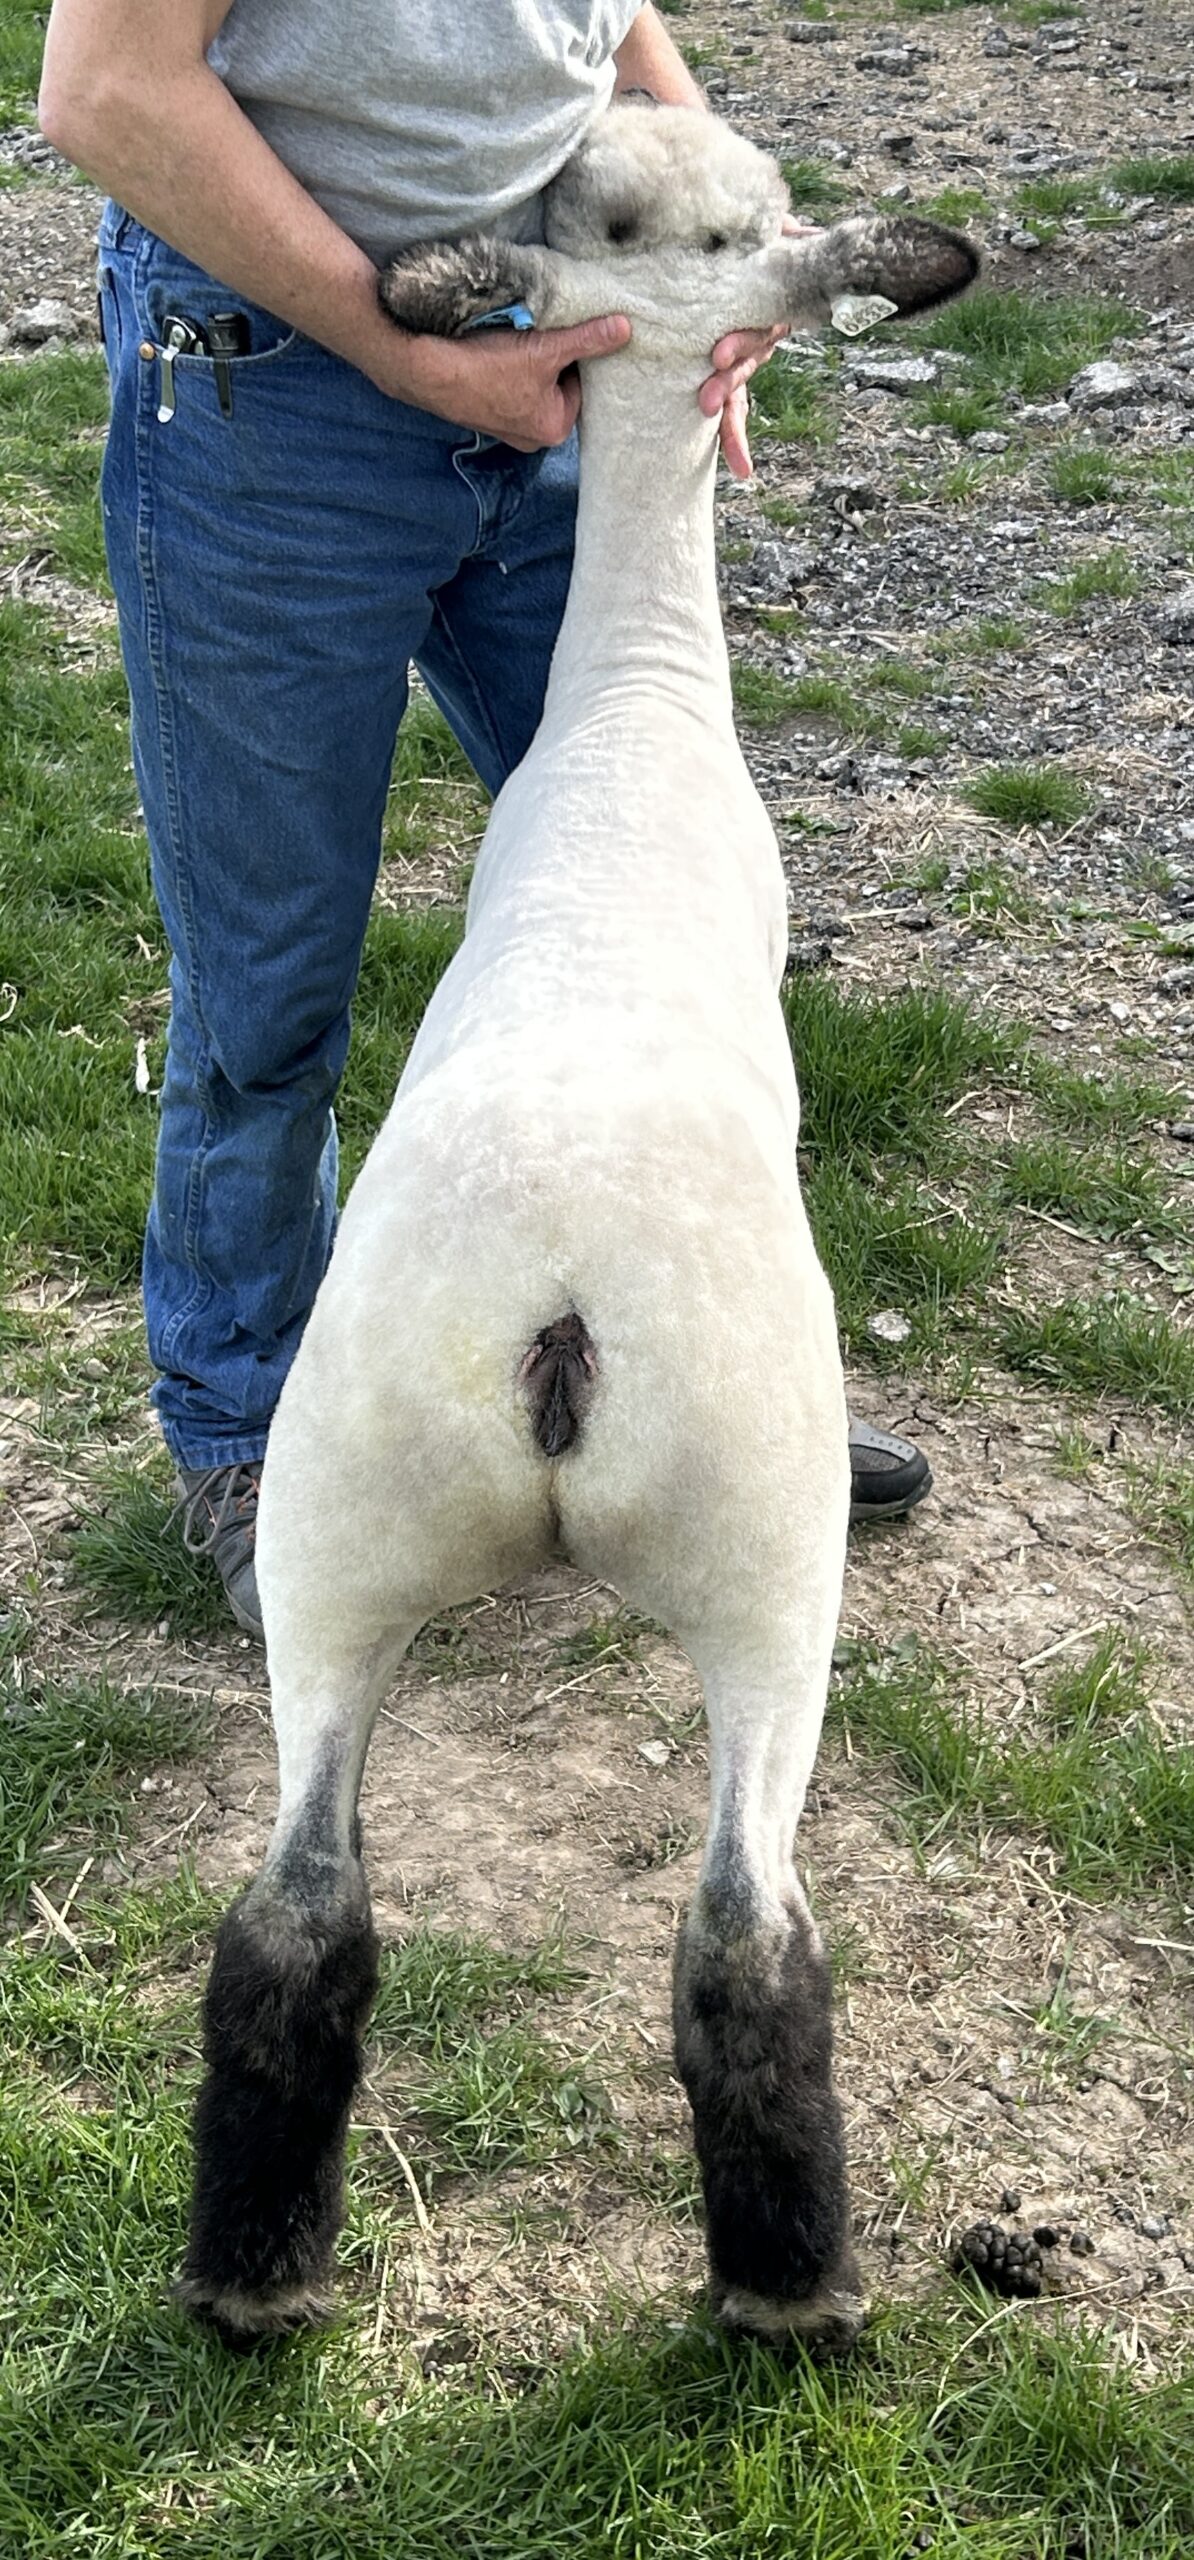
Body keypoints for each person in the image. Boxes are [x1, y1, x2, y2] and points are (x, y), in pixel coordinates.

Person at [39, 0, 931, 1641]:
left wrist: (731, 264)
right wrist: (401, 352)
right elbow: (106, 88)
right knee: (270, 984)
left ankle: (726, 1390)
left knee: (663, 933)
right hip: (279, 388)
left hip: (564, 346)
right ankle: (252, 1427)